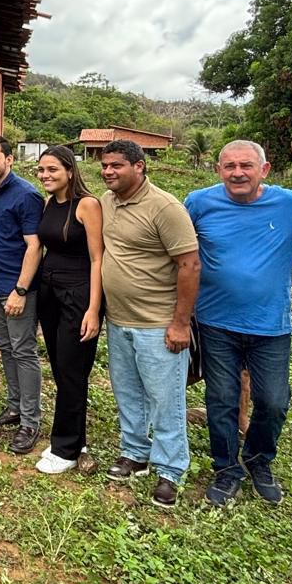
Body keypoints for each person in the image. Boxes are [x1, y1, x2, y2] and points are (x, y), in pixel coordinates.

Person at [184, 140, 292, 506]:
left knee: (274, 401)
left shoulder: (291, 203)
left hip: (270, 325)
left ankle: (259, 459)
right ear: (219, 170)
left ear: (264, 169)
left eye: (246, 165)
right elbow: (178, 245)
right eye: (229, 166)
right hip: (215, 322)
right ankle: (227, 468)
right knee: (221, 399)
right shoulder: (199, 202)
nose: (237, 173)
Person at [98, 139, 200, 509]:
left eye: (117, 165)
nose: (108, 171)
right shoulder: (107, 202)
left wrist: (181, 323)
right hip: (118, 319)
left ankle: (170, 469)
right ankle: (134, 452)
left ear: (139, 167)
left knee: (165, 398)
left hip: (157, 322)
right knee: (127, 392)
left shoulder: (165, 207)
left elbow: (189, 264)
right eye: (105, 165)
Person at [33, 145, 104, 475]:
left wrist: (93, 309)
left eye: (52, 170)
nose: (45, 175)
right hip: (49, 293)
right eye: (41, 170)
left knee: (73, 369)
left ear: (70, 172)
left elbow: (97, 259)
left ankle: (65, 449)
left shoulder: (87, 205)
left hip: (78, 294)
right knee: (61, 368)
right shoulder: (49, 203)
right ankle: (75, 439)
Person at [0, 136, 45, 454]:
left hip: (17, 289)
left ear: (9, 159)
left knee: (23, 351)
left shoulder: (26, 195)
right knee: (5, 349)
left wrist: (20, 290)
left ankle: (30, 421)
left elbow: (35, 246)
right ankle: (14, 406)